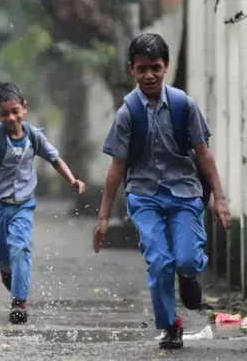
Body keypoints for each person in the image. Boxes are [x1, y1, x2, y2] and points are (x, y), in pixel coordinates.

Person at [94, 33, 231, 350]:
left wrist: (220, 200)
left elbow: (203, 153)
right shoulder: (128, 112)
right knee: (158, 261)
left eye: (155, 67)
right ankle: (171, 325)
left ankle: (188, 276)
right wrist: (103, 217)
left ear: (166, 66)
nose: (149, 75)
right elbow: (117, 166)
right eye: (142, 69)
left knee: (184, 259)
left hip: (184, 195)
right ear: (132, 70)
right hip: (144, 197)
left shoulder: (184, 106)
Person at [0, 82, 86, 324]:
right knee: (3, 255)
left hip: (23, 204)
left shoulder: (34, 136)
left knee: (21, 247)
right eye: (4, 113)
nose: (11, 118)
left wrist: (72, 180)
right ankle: (6, 270)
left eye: (15, 111)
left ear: (24, 108)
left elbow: (54, 158)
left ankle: (19, 303)